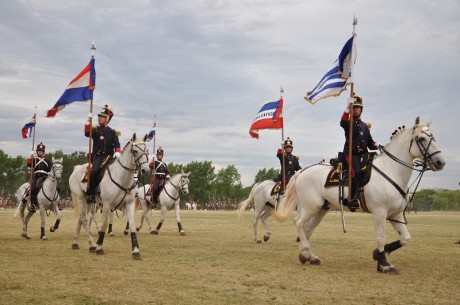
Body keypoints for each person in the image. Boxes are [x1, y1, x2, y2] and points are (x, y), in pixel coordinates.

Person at [340, 95, 378, 211]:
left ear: (361, 109)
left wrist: (377, 145)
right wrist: (347, 107)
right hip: (351, 154)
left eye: (358, 107)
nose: (356, 109)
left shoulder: (365, 127)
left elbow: (370, 144)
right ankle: (352, 198)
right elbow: (342, 122)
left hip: (363, 155)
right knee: (356, 171)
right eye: (354, 107)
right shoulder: (348, 123)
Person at [85, 105, 121, 204]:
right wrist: (88, 121)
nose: (99, 118)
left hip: (110, 157)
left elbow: (117, 143)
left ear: (107, 119)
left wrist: (117, 151)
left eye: (102, 116)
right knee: (95, 171)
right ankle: (91, 193)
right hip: (98, 157)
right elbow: (87, 133)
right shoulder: (95, 129)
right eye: (99, 116)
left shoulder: (112, 132)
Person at [23, 142, 53, 211]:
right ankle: (33, 204)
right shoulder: (35, 159)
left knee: (56, 187)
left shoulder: (47, 161)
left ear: (43, 152)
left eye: (41, 151)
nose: (40, 152)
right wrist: (31, 156)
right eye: (39, 151)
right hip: (37, 177)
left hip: (46, 178)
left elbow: (50, 169)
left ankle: (56, 203)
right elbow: (29, 164)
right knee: (33, 188)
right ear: (37, 152)